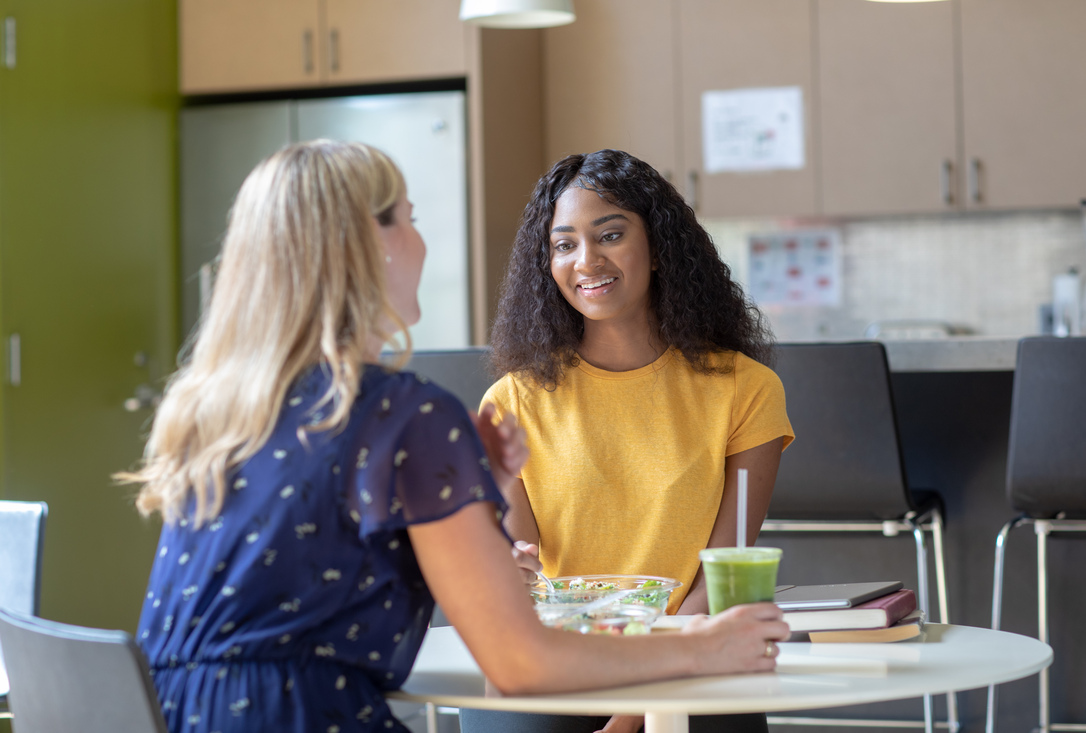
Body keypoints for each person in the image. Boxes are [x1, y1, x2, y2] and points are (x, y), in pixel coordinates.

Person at [116, 140, 790, 733]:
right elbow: (518, 659)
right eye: (409, 218)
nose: (421, 238)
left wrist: (479, 494)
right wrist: (702, 650)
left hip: (170, 710)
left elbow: (308, 569)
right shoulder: (404, 412)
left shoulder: (216, 408)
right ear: (368, 247)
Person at [468, 149, 796, 733]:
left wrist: (640, 707)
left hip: (693, 660)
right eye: (564, 244)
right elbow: (523, 577)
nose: (586, 260)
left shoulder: (745, 390)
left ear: (659, 246)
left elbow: (717, 581)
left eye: (610, 235)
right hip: (559, 668)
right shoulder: (511, 403)